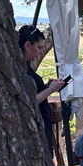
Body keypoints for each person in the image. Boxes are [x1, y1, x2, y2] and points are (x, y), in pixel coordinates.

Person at [19, 25, 65, 158]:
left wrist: (47, 86)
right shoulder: (22, 70)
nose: (40, 52)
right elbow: (30, 100)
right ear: (27, 45)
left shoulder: (26, 66)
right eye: (39, 48)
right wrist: (50, 89)